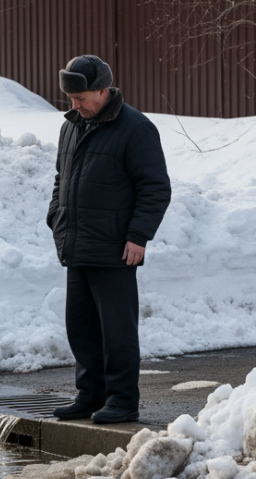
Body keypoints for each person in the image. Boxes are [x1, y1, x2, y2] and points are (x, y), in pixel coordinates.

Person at [46, 55, 171, 424]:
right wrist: (57, 218)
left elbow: (155, 188)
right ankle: (90, 396)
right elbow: (61, 178)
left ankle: (122, 400)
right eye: (71, 98)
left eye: (82, 97)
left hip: (116, 248)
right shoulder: (71, 126)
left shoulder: (135, 128)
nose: (75, 105)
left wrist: (138, 236)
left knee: (117, 331)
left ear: (103, 89)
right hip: (77, 244)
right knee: (80, 328)